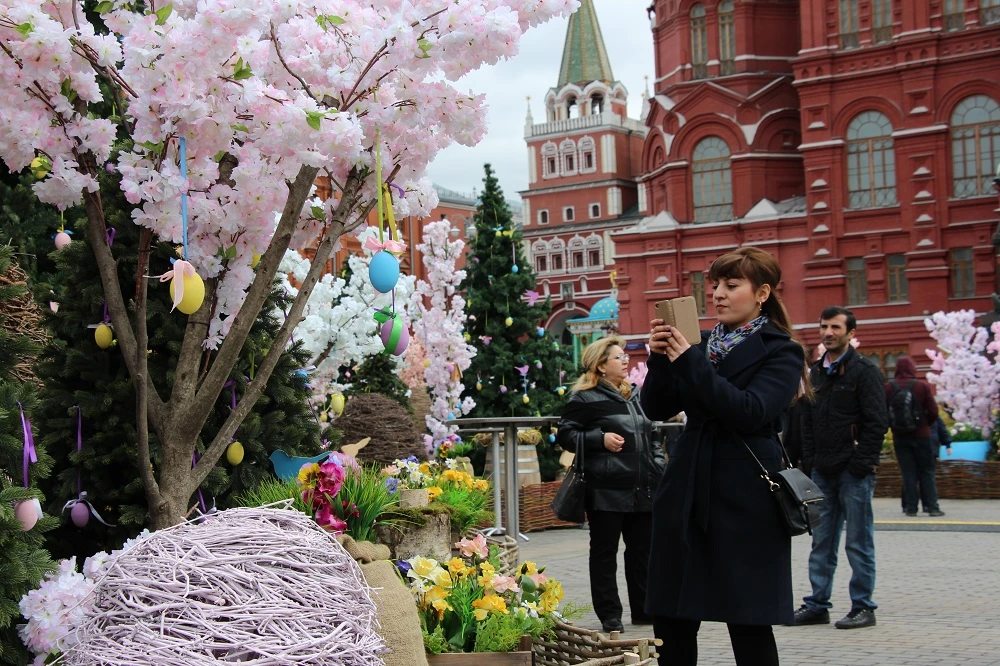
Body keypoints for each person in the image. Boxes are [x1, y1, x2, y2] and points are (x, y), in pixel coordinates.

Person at [641, 247, 809, 666]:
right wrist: (661, 360)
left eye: (731, 285)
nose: (717, 294)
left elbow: (750, 411)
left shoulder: (781, 349)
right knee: (671, 616)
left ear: (762, 293)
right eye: (714, 285)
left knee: (748, 618)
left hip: (746, 493)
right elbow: (656, 408)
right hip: (686, 486)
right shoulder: (698, 344)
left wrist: (690, 361)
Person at [557, 335, 665, 634]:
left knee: (642, 551)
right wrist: (598, 439)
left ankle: (643, 610)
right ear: (602, 366)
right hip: (605, 489)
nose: (626, 360)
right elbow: (564, 435)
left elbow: (652, 433)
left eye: (625, 356)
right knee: (605, 553)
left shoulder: (636, 395)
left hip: (642, 487)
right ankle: (610, 614)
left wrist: (658, 466)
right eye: (619, 357)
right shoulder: (585, 398)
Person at [794, 306, 888, 630]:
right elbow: (805, 422)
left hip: (854, 472)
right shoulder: (815, 373)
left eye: (835, 327)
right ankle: (817, 604)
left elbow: (878, 423)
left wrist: (862, 464)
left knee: (857, 542)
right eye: (824, 326)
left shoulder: (865, 371)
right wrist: (809, 462)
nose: (828, 332)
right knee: (821, 541)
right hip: (823, 471)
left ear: (850, 333)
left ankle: (863, 606)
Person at [886, 356, 945, 517]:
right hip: (922, 436)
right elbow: (933, 411)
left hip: (900, 436)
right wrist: (925, 424)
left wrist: (893, 427)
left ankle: (911, 508)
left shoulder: (889, 387)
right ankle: (932, 507)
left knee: (908, 473)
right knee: (927, 471)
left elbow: (883, 413)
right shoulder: (921, 386)